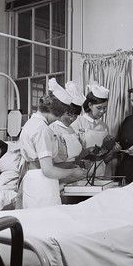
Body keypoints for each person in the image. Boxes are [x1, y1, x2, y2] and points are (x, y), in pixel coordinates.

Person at [17, 78, 87, 209]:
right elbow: (48, 170)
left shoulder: (31, 123)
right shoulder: (42, 129)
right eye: (58, 116)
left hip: (32, 180)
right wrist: (73, 172)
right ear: (55, 112)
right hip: (42, 184)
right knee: (47, 223)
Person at [71, 82, 119, 176]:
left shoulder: (104, 126)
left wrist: (113, 150)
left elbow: (105, 156)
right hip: (82, 168)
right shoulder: (77, 123)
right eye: (99, 108)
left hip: (101, 169)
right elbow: (73, 154)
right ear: (89, 105)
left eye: (105, 108)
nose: (102, 111)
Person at [49, 81, 85, 170]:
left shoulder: (72, 130)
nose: (72, 118)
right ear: (61, 111)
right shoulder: (53, 129)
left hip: (75, 172)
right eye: (69, 114)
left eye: (76, 115)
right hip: (60, 174)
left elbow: (76, 156)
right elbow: (52, 163)